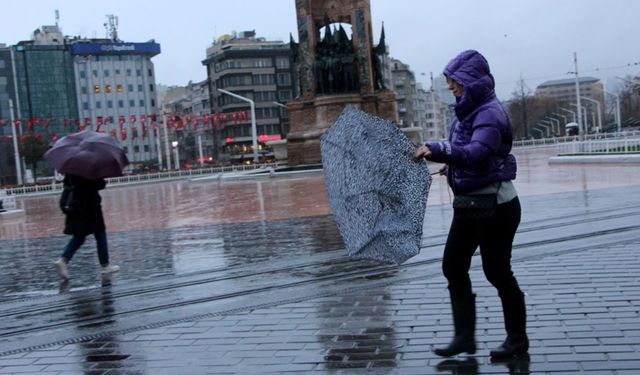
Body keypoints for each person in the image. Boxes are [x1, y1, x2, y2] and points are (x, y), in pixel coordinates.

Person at [414, 50, 528, 360]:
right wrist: (450, 167)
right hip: (470, 204)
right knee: (453, 266)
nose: (450, 87)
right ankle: (464, 338)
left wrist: (437, 149)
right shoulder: (467, 111)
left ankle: (517, 339)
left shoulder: (490, 112)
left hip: (497, 206)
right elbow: (469, 156)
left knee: (497, 271)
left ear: (471, 81)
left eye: (454, 82)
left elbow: (478, 153)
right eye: (449, 81)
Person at [54, 174, 119, 280]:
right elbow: (99, 184)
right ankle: (105, 265)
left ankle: (63, 260)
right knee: (100, 234)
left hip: (75, 208)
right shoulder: (88, 170)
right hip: (91, 208)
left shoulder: (70, 171)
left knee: (79, 237)